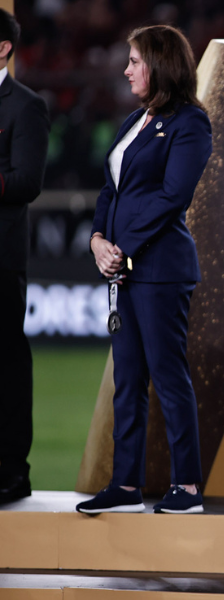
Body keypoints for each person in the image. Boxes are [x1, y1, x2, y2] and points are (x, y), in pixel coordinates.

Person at [75, 25, 212, 515]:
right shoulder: (135, 120)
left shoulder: (190, 122)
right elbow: (110, 191)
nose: (126, 70)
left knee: (168, 376)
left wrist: (122, 249)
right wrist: (97, 241)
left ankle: (187, 487)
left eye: (134, 61)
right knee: (128, 380)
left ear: (160, 64)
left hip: (160, 269)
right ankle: (125, 486)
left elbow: (174, 196)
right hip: (124, 268)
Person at [0, 8, 50, 505]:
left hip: (1, 256)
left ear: (3, 48)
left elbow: (27, 182)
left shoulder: (26, 106)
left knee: (6, 363)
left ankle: (12, 471)